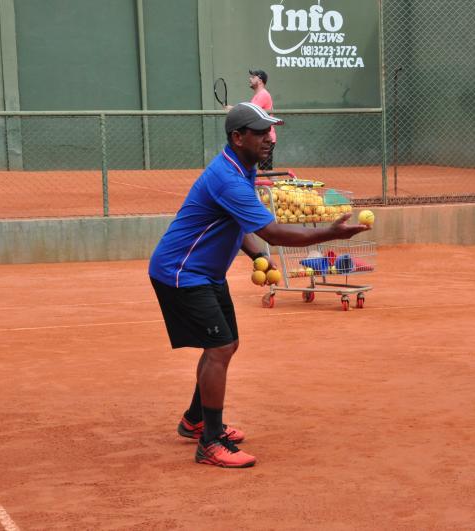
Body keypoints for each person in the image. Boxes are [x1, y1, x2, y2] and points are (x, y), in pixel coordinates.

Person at [149, 102, 370, 468]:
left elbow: (238, 227)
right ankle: (210, 441)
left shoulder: (243, 168)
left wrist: (256, 256)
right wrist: (327, 233)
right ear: (238, 137)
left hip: (205, 272)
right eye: (260, 132)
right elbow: (271, 231)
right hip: (181, 272)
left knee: (225, 344)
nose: (270, 138)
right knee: (219, 348)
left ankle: (195, 420)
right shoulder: (229, 178)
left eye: (271, 131)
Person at [248, 69, 277, 171]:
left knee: (266, 170)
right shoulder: (257, 96)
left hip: (266, 139)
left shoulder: (263, 95)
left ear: (260, 80)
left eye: (253, 77)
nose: (250, 79)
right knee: (250, 166)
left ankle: (278, 187)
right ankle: (257, 186)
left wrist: (233, 109)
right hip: (259, 138)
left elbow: (250, 111)